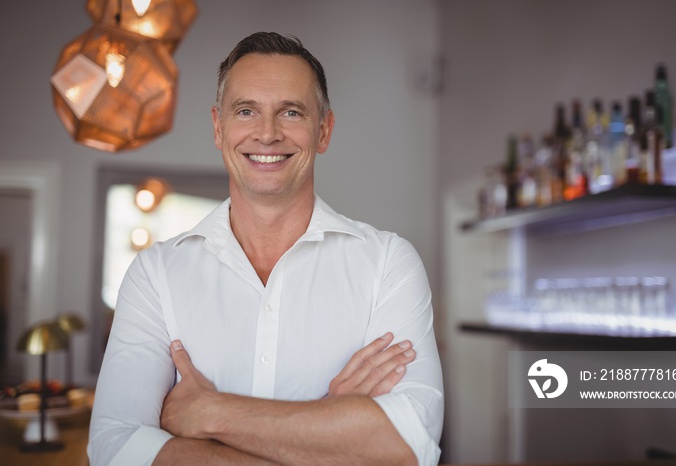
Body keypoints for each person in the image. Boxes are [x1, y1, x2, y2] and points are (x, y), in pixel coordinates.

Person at [88, 32, 443, 466]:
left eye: (291, 112)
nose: (268, 133)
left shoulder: (388, 263)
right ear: (219, 128)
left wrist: (209, 413)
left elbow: (410, 445)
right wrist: (330, 423)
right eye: (246, 111)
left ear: (324, 130)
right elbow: (114, 447)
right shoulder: (155, 274)